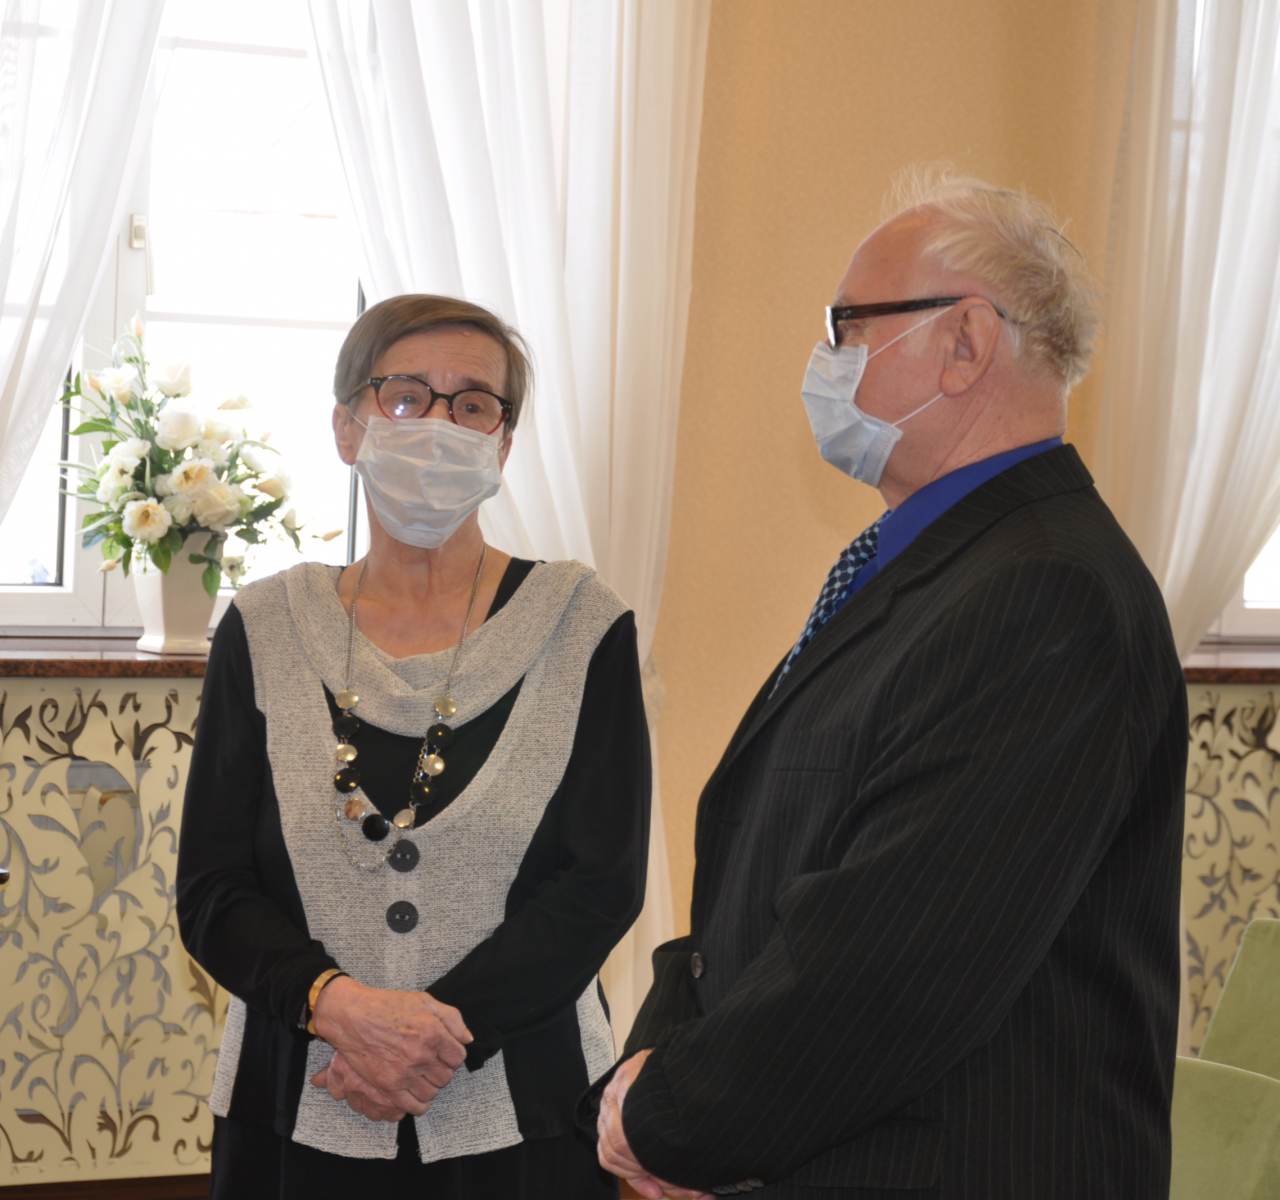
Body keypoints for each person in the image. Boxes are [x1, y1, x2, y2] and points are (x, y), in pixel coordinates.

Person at [593, 172, 1187, 1199]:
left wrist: (671, 1116)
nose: (825, 361)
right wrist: (656, 1066)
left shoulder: (1045, 591)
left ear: (964, 342)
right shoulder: (937, 565)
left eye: (848, 325)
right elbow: (767, 865)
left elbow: (897, 962)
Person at [177, 294, 650, 1199]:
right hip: (296, 1098)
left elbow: (600, 883)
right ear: (346, 427)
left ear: (502, 446)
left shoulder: (583, 626)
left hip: (525, 1112)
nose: (439, 423)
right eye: (405, 396)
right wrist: (337, 1006)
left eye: (473, 404)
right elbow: (211, 887)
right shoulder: (264, 627)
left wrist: (430, 1040)